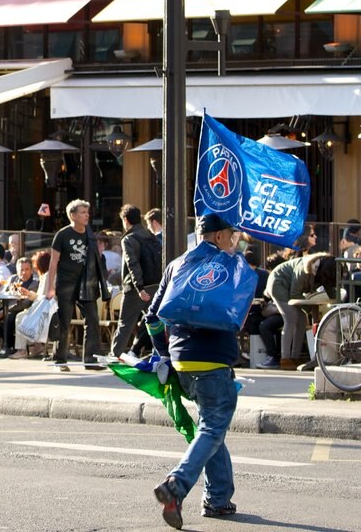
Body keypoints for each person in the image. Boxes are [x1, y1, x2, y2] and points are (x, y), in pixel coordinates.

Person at [147, 213, 248, 529]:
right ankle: (176, 485)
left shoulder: (176, 265)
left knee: (211, 427)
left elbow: (152, 317)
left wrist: (164, 354)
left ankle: (218, 499)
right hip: (214, 360)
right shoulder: (227, 266)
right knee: (212, 428)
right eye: (230, 235)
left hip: (182, 363)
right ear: (217, 236)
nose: (233, 240)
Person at [45, 199, 110, 371]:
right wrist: (49, 287)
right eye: (83, 212)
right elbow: (53, 262)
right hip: (66, 282)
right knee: (65, 321)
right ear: (72, 215)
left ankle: (90, 360)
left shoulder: (89, 233)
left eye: (87, 212)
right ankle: (60, 360)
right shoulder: (62, 235)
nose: (87, 215)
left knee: (93, 319)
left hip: (86, 283)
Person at [265, 252, 338, 370]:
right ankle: (285, 358)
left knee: (302, 321)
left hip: (288, 288)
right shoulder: (304, 268)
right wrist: (309, 309)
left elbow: (330, 291)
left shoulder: (321, 271)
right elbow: (295, 293)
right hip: (278, 283)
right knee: (291, 319)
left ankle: (295, 357)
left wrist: (339, 301)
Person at [111, 204, 161, 358]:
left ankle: (115, 355)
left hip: (136, 289)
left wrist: (139, 287)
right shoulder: (150, 235)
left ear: (125, 220)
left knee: (125, 323)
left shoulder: (128, 239)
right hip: (156, 284)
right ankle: (160, 353)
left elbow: (132, 263)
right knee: (154, 321)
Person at [0, 256, 39, 359]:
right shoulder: (13, 279)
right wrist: (8, 295)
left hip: (21, 310)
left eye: (27, 269)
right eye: (21, 270)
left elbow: (25, 304)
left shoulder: (34, 283)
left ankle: (9, 346)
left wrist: (3, 313)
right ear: (17, 271)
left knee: (9, 320)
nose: (24, 273)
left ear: (31, 270)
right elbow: (2, 296)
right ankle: (11, 343)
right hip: (6, 307)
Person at [10, 250, 54, 359]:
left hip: (47, 311)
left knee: (20, 318)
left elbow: (43, 298)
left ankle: (22, 350)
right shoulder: (46, 275)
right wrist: (28, 293)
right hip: (46, 309)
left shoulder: (48, 276)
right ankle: (38, 345)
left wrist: (29, 294)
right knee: (22, 316)